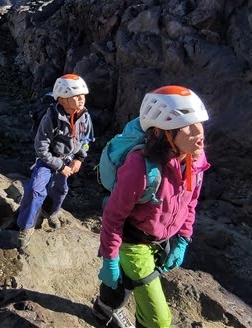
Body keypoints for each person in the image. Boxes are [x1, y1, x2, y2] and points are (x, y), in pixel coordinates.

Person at [94, 86, 211, 328]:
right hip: (134, 242)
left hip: (161, 238)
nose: (199, 133)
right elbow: (114, 216)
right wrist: (110, 258)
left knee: (125, 280)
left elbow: (191, 201)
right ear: (162, 133)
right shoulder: (140, 168)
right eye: (188, 126)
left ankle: (103, 310)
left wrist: (183, 239)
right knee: (159, 321)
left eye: (199, 123)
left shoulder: (195, 159)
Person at [17, 74, 94, 249]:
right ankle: (26, 226)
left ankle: (49, 212)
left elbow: (86, 140)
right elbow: (41, 148)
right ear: (63, 99)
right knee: (36, 189)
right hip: (49, 160)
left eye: (83, 95)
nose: (82, 99)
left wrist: (80, 158)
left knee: (60, 190)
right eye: (76, 96)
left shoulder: (85, 117)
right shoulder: (51, 118)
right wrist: (60, 167)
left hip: (67, 160)